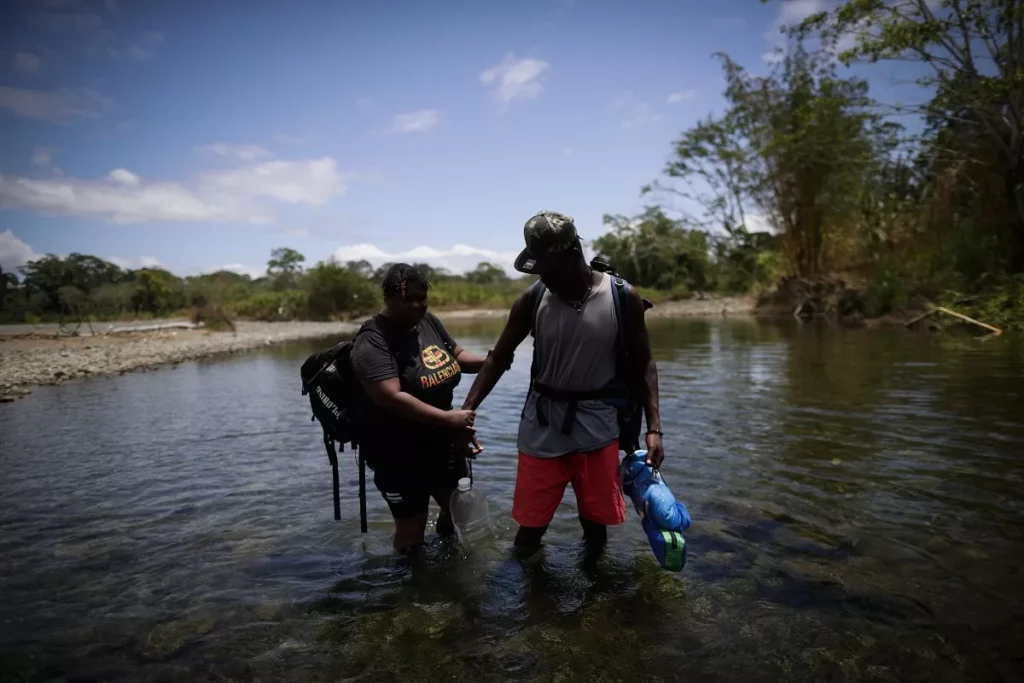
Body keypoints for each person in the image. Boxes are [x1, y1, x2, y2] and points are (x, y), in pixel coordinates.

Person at [456, 211, 664, 553]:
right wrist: (467, 412)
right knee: (530, 531)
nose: (544, 278)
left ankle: (596, 600)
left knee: (596, 529)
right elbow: (499, 357)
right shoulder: (532, 300)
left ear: (573, 255)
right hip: (542, 427)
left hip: (598, 427)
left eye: (548, 269)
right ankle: (525, 598)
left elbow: (644, 362)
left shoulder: (621, 296)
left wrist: (654, 428)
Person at [350, 263, 488, 552]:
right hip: (397, 451)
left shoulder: (428, 322)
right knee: (412, 526)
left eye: (421, 298)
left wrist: (490, 361)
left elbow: (456, 355)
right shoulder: (372, 339)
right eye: (406, 299)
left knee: (456, 508)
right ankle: (413, 588)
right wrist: (450, 419)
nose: (415, 305)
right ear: (387, 298)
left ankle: (449, 566)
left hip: (442, 443)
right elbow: (390, 396)